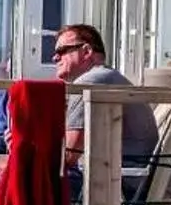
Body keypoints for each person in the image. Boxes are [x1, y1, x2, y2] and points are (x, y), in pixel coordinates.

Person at [52, 23, 158, 172]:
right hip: (127, 176)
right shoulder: (106, 77)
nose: (55, 57)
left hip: (116, 183)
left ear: (87, 51)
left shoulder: (90, 82)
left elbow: (68, 156)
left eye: (62, 50)